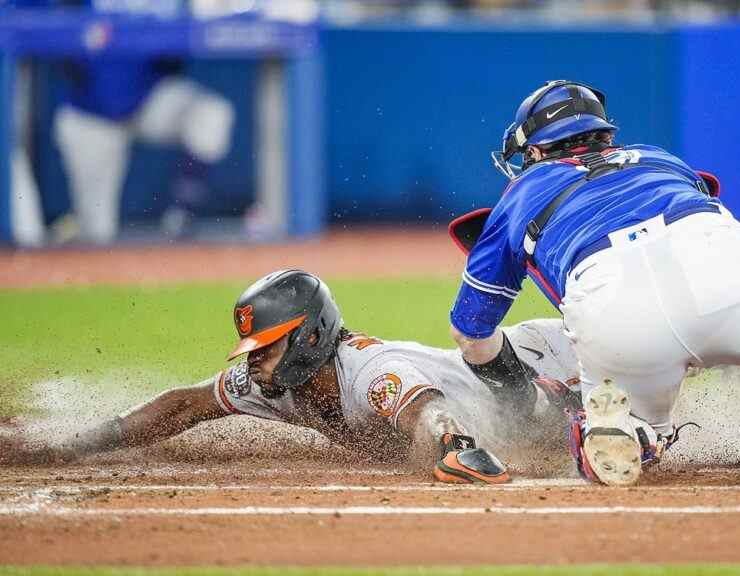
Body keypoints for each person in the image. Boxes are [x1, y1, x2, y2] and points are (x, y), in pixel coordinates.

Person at [448, 79, 740, 486]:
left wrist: (519, 393)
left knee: (631, 419)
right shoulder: (659, 159)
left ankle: (635, 430)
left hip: (615, 309)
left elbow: (469, 332)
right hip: (722, 268)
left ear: (534, 150)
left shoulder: (520, 194)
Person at [2, 269, 582, 483]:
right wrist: (80, 443)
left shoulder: (369, 372)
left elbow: (423, 408)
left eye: (266, 346)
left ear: (308, 339)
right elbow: (182, 406)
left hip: (545, 362)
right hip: (526, 389)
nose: (252, 360)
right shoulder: (274, 385)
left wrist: (454, 445)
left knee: (608, 413)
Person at [52, 0, 234, 244]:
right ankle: (74, 227)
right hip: (90, 116)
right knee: (97, 234)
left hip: (147, 99)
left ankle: (182, 215)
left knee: (211, 114)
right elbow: (41, 31)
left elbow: (189, 38)